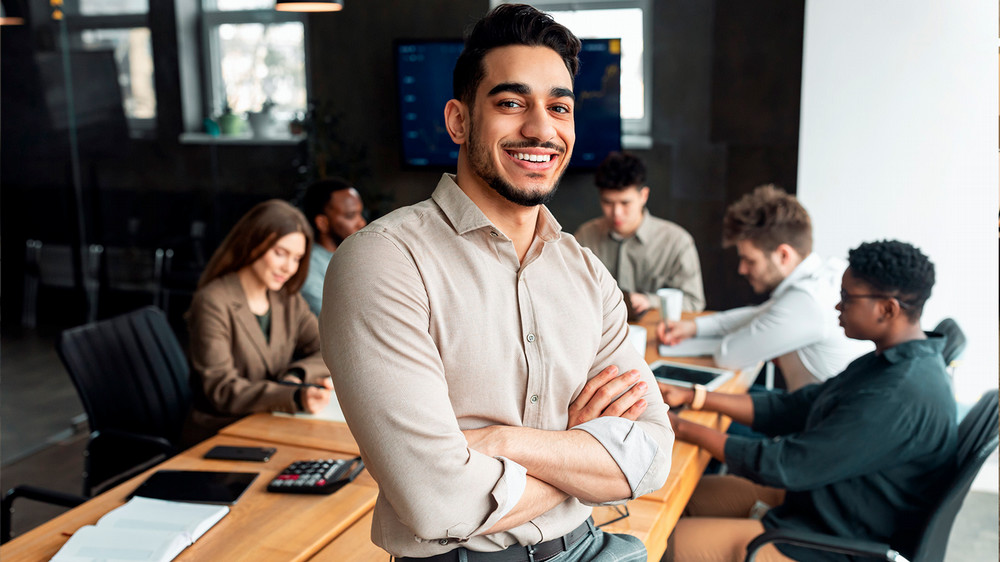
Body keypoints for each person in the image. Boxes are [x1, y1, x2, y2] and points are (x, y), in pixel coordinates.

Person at [321, 5, 673, 561]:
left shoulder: (587, 273)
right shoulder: (384, 263)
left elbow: (652, 458)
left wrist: (499, 444)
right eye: (511, 103)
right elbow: (438, 502)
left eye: (558, 107)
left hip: (592, 548)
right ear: (458, 120)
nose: (540, 128)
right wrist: (587, 461)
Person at [661, 240, 957, 562]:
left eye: (847, 297)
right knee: (675, 498)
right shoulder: (892, 360)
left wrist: (682, 428)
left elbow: (784, 464)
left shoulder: (898, 394)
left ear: (887, 309)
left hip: (829, 540)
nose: (837, 307)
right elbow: (799, 407)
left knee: (660, 545)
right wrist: (696, 397)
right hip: (819, 500)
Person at [657, 184, 871, 391]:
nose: (741, 269)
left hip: (813, 423)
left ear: (783, 255)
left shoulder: (807, 301)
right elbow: (762, 313)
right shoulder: (826, 273)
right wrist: (694, 328)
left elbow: (729, 356)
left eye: (750, 261)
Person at [183, 199, 333, 444]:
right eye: (280, 253)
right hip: (220, 433)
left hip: (272, 424)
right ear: (253, 243)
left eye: (297, 258)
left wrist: (296, 374)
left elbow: (329, 347)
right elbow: (221, 390)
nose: (289, 268)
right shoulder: (213, 301)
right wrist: (293, 396)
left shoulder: (287, 299)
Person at [575, 151, 705, 314]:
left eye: (625, 203)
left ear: (644, 196)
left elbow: (694, 302)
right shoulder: (585, 236)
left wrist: (649, 301)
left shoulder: (677, 242)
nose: (617, 213)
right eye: (608, 202)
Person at [299, 178, 367, 315]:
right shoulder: (309, 267)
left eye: (361, 213)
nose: (361, 222)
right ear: (322, 223)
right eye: (350, 216)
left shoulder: (360, 255)